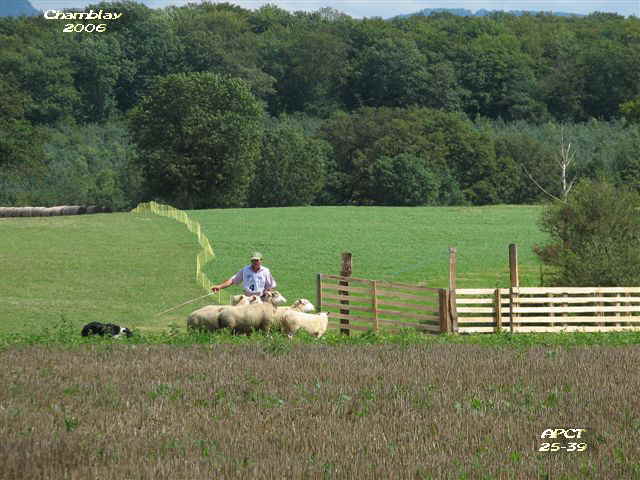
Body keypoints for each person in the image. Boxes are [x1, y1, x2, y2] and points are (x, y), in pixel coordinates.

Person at [211, 252, 277, 300]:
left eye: (257, 260)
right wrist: (219, 286)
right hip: (247, 299)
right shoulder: (245, 270)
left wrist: (268, 293)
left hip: (260, 298)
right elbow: (232, 280)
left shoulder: (266, 271)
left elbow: (271, 286)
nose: (255, 262)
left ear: (261, 261)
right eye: (253, 260)